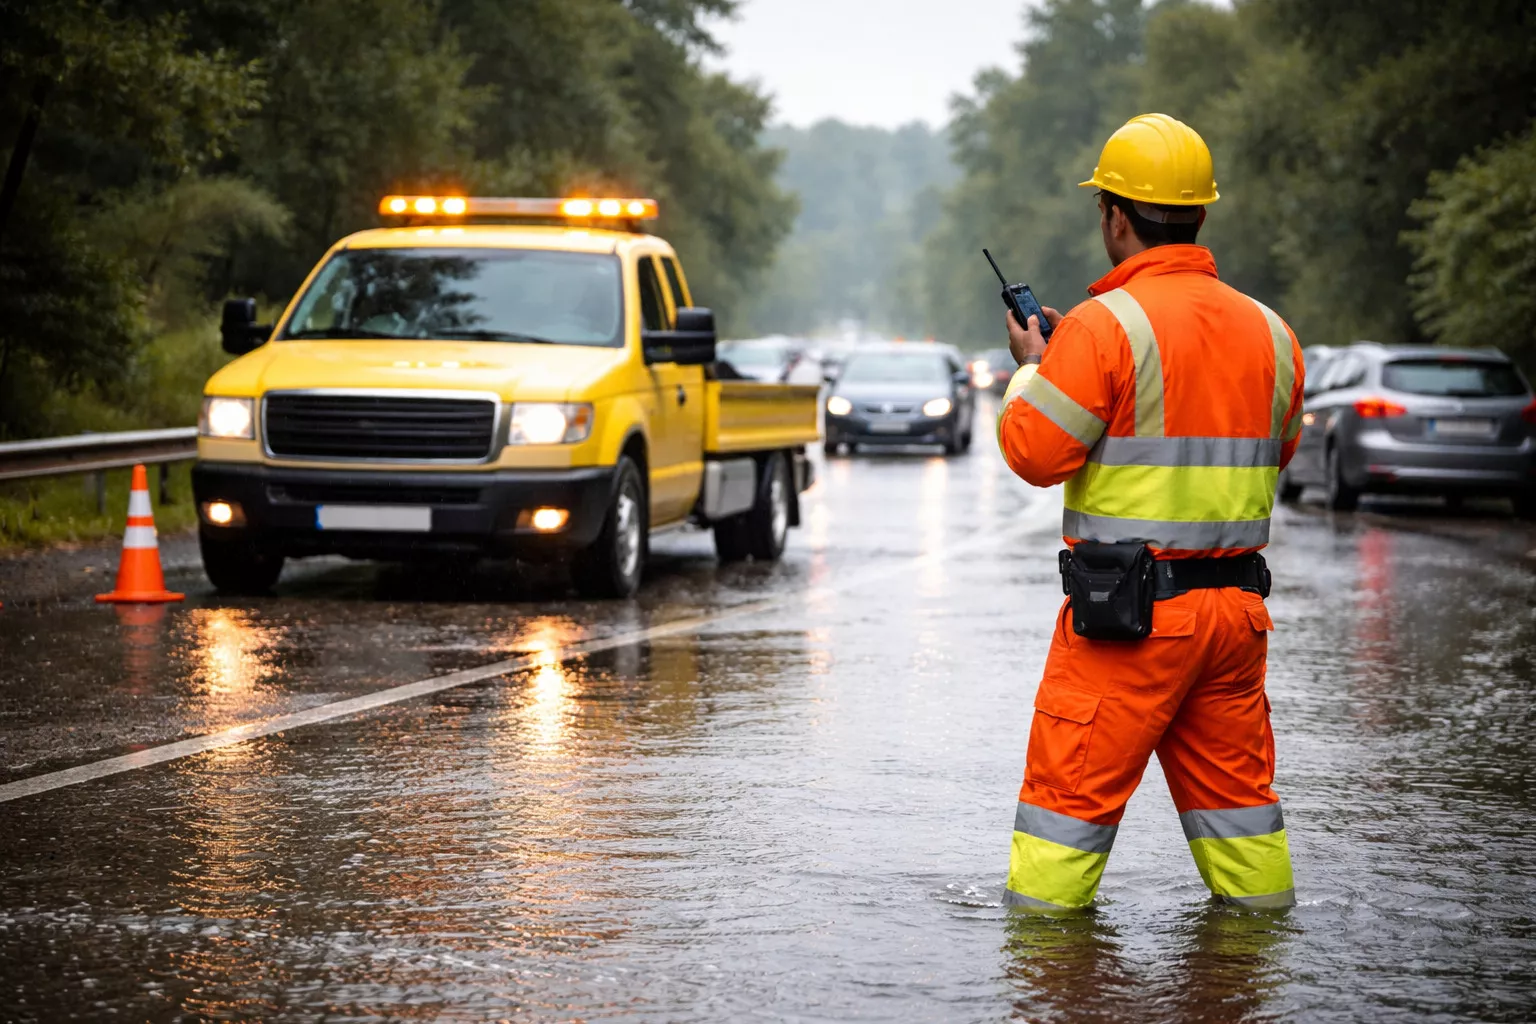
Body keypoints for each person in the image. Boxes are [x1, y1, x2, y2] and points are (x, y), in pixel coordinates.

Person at [996, 113, 1305, 911]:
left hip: (1128, 623)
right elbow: (1277, 454)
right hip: (1236, 620)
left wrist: (1035, 369)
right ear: (1200, 213)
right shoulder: (1274, 333)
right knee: (1243, 829)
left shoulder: (1100, 329)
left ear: (1115, 216)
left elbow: (1035, 452)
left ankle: (1047, 973)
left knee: (1058, 841)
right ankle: (1251, 971)